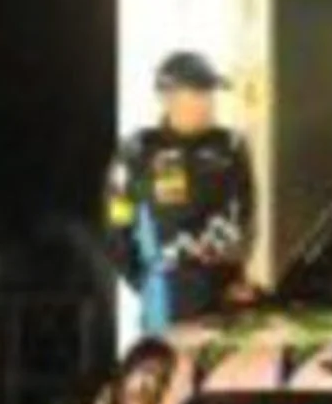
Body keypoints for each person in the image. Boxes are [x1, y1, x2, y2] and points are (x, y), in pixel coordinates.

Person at [105, 51, 256, 331]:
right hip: (165, 295)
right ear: (168, 97)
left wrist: (227, 269)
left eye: (210, 92)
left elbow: (245, 217)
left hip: (223, 294)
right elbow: (117, 228)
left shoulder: (230, 146)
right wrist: (148, 282)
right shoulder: (137, 151)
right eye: (198, 93)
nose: (208, 102)